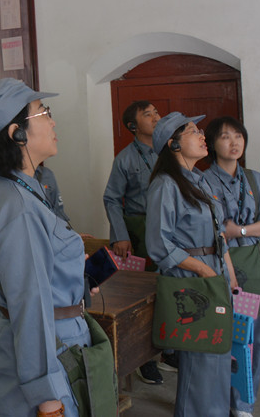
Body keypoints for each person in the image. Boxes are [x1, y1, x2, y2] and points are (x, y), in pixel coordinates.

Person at [0, 78, 91, 417]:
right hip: (44, 355)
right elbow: (29, 305)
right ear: (17, 133)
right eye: (43, 113)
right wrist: (47, 399)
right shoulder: (17, 206)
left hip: (31, 343)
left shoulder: (10, 189)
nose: (53, 122)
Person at [145, 111, 236, 417]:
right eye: (193, 132)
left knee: (218, 352)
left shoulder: (199, 180)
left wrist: (227, 273)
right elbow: (159, 244)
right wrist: (202, 270)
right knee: (201, 358)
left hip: (212, 273)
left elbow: (218, 233)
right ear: (173, 144)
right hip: (192, 279)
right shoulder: (165, 185)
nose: (202, 136)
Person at [202, 116, 260, 417]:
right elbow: (211, 230)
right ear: (212, 143)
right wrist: (236, 231)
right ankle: (219, 400)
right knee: (222, 336)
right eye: (225, 137)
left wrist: (240, 230)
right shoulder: (203, 181)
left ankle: (244, 403)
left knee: (252, 338)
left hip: (256, 270)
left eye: (238, 136)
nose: (234, 142)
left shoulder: (255, 180)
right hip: (222, 268)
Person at [102, 99, 166, 383]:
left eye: (156, 112)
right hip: (140, 230)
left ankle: (168, 348)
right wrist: (121, 235)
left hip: (169, 228)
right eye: (148, 114)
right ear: (133, 126)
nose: (156, 117)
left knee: (169, 289)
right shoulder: (125, 159)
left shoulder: (170, 152)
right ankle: (145, 359)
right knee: (143, 297)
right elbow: (112, 199)